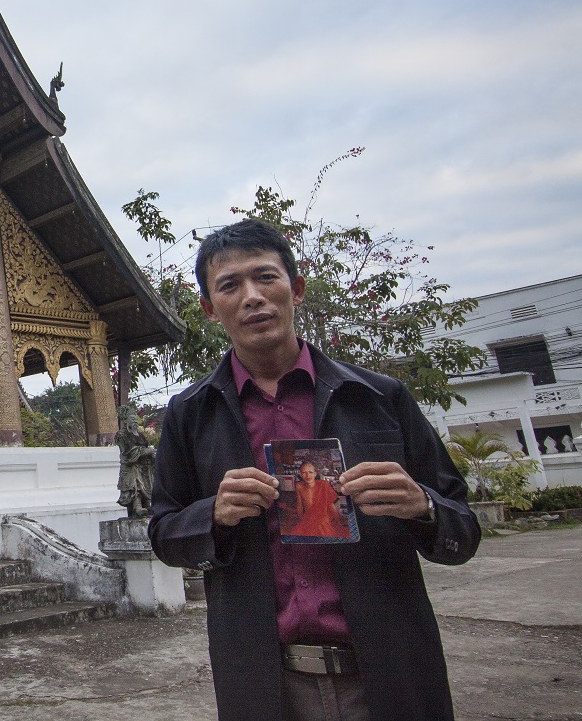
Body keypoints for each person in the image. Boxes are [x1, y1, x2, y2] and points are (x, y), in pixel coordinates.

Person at [147, 218, 480, 721]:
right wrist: (211, 514)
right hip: (263, 683)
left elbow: (464, 529)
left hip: (391, 673)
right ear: (210, 309)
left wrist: (423, 506)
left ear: (296, 289)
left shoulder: (379, 399)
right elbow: (163, 534)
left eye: (266, 277)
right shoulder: (190, 415)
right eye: (230, 286)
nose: (253, 297)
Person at [288, 461, 350, 539]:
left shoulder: (323, 484)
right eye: (304, 472)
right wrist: (301, 521)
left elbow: (331, 505)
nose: (308, 475)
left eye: (310, 472)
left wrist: (338, 522)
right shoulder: (299, 486)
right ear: (300, 474)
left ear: (315, 473)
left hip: (322, 518)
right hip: (308, 518)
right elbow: (299, 505)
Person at [116, 402, 156, 518]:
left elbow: (147, 446)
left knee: (147, 483)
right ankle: (136, 505)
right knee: (135, 484)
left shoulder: (140, 435)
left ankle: (147, 504)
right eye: (131, 418)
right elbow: (129, 452)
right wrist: (145, 451)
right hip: (131, 466)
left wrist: (151, 452)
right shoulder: (122, 435)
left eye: (135, 418)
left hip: (144, 466)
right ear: (126, 420)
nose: (134, 420)